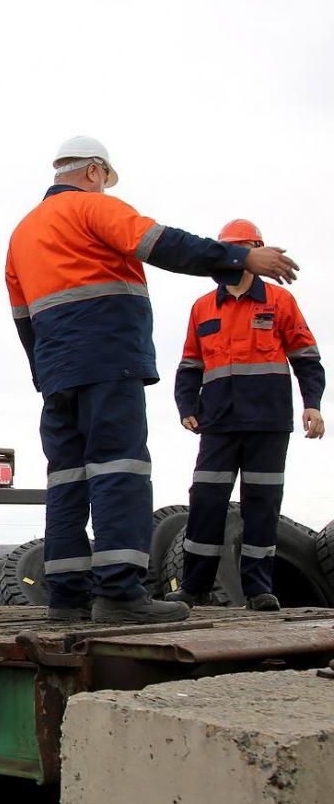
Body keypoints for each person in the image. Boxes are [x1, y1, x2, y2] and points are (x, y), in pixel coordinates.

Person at [5, 137, 300, 624]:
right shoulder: (91, 208)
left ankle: (67, 598)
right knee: (119, 469)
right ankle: (120, 594)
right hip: (107, 358)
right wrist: (240, 259)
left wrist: (47, 373)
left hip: (58, 370)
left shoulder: (22, 233)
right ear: (95, 171)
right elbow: (162, 243)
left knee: (67, 479)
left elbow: (23, 317)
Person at [167, 219, 324, 611]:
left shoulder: (279, 302)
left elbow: (306, 358)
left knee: (262, 506)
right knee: (205, 503)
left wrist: (313, 404)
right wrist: (186, 407)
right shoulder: (203, 307)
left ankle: (257, 590)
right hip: (217, 424)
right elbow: (189, 365)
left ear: (256, 252)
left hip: (268, 424)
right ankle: (195, 586)